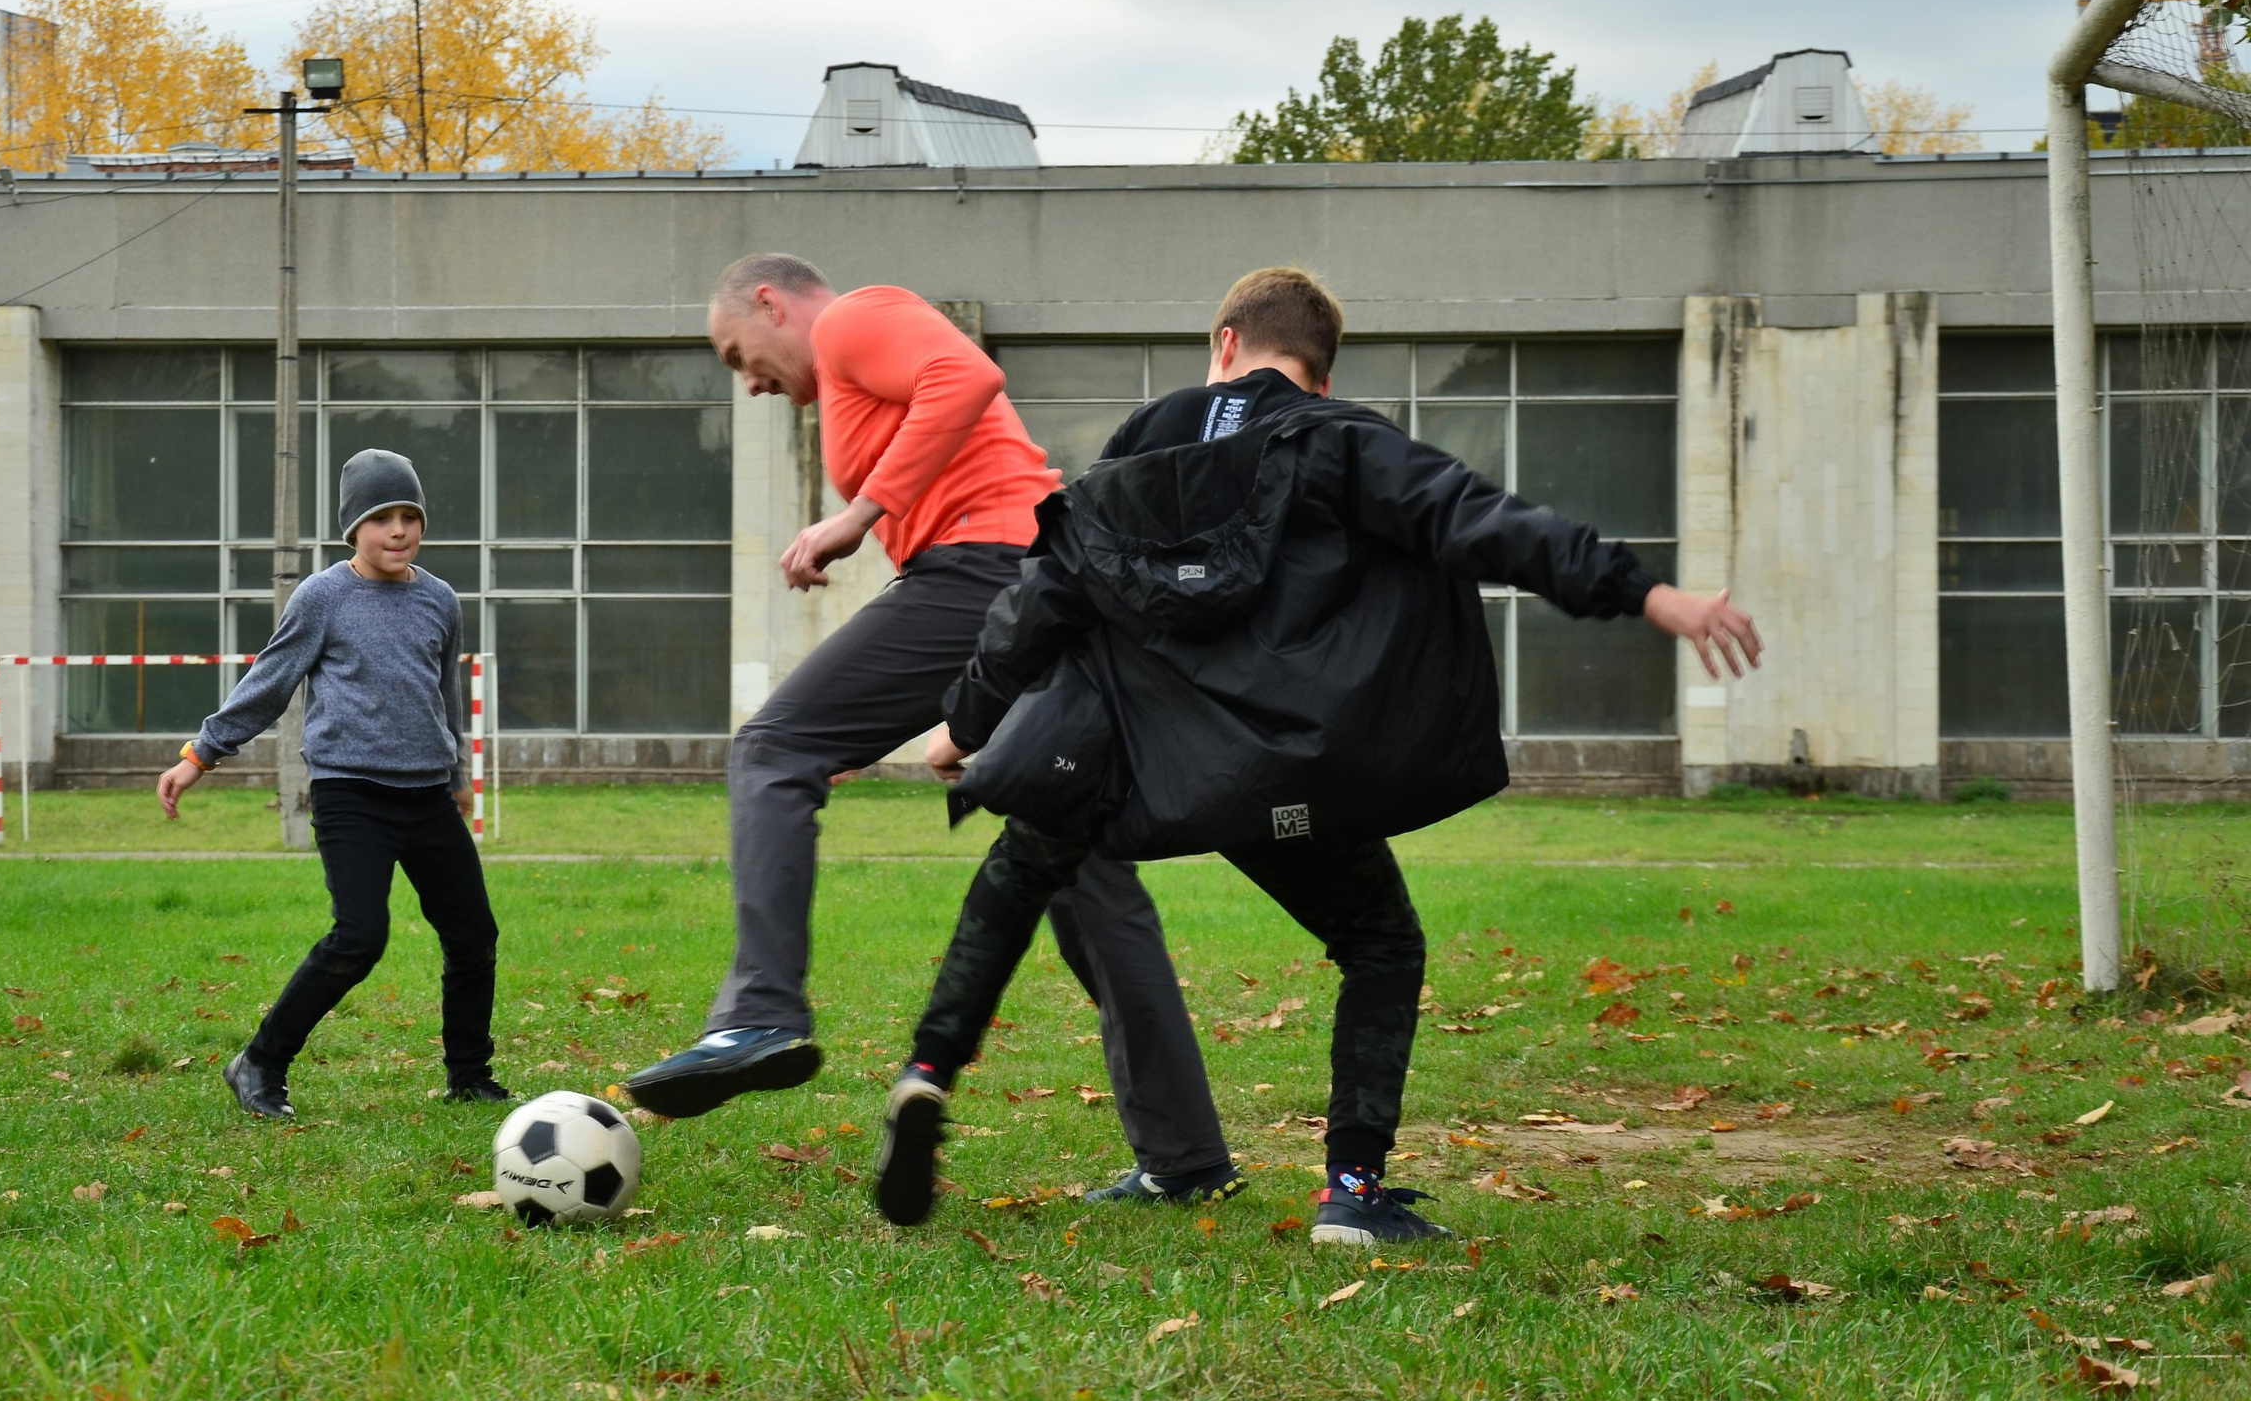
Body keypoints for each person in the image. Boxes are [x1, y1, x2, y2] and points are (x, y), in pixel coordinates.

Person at [872, 268, 1762, 1245]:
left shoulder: (1146, 440)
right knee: (1380, 941)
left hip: (1138, 761)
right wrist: (1647, 594)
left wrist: (965, 722)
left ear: (1222, 345)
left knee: (1018, 865)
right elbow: (1481, 522)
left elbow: (1047, 591)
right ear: (1320, 376)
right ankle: (1350, 1189)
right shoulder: (1341, 442)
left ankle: (925, 1074)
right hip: (1278, 775)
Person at [622, 254, 1245, 1207]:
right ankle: (1186, 1157)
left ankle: (759, 1015)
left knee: (775, 747)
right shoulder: (840, 367)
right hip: (1028, 578)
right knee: (1078, 871)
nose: (746, 379)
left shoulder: (851, 319)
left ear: (768, 302)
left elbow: (968, 376)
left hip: (985, 573)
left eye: (734, 353)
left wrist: (858, 513)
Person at [158, 448, 508, 1120]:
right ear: (353, 528)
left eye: (411, 517)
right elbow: (271, 681)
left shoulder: (439, 600)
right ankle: (259, 1062)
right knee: (359, 937)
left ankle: (469, 1075)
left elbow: (446, 694)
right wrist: (199, 755)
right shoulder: (323, 597)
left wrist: (458, 773)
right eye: (383, 518)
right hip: (351, 793)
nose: (400, 530)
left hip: (427, 795)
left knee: (473, 935)